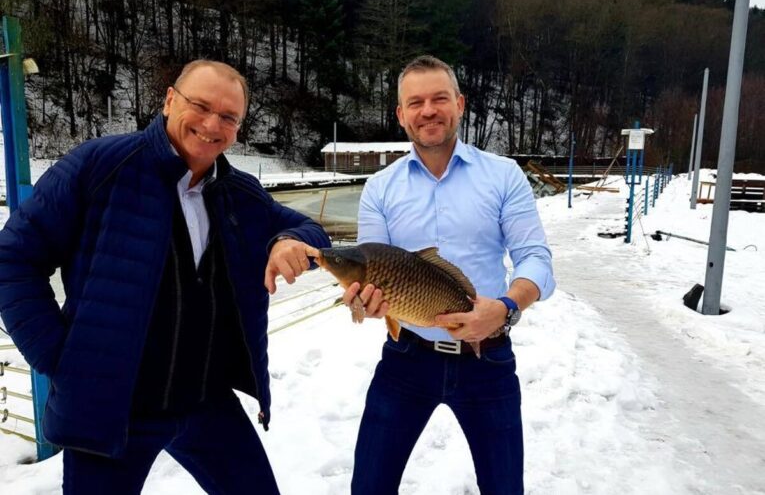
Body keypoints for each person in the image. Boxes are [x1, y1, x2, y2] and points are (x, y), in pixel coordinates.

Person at [0, 59, 329, 494]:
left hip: (205, 399)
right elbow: (14, 260)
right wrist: (61, 359)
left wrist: (287, 240)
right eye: (201, 105)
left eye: (229, 117)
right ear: (170, 100)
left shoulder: (237, 192)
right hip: (113, 402)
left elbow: (312, 233)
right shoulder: (101, 167)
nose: (213, 124)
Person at [342, 55, 555, 494]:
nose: (428, 111)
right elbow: (370, 265)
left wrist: (506, 307)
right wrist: (362, 298)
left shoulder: (503, 176)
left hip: (487, 357)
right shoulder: (380, 187)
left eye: (439, 98)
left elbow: (536, 259)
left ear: (459, 104)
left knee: (503, 487)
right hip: (407, 359)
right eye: (415, 102)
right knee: (368, 485)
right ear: (401, 115)